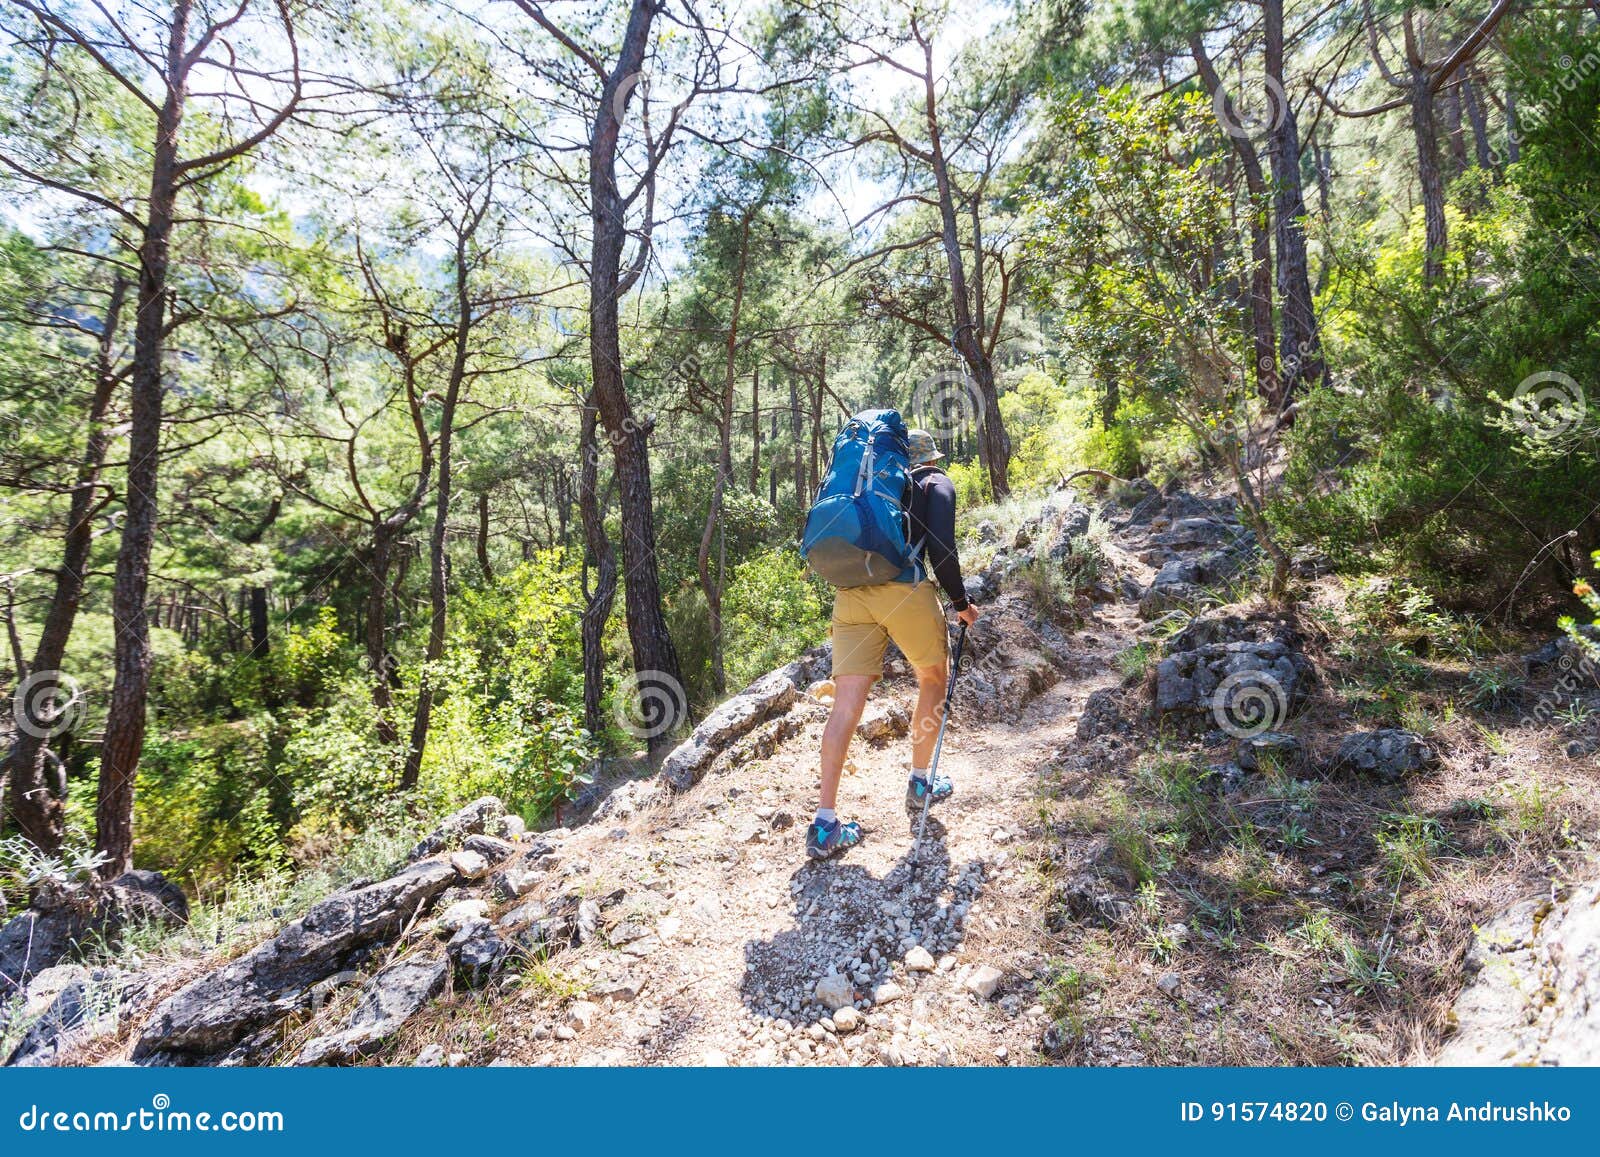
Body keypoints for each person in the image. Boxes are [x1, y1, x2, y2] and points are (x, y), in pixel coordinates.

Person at [805, 428, 981, 859]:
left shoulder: (866, 487)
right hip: (904, 591)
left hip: (850, 595)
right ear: (931, 458)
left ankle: (825, 824)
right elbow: (942, 549)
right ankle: (920, 781)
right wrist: (961, 603)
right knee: (933, 678)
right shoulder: (934, 483)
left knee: (845, 703)